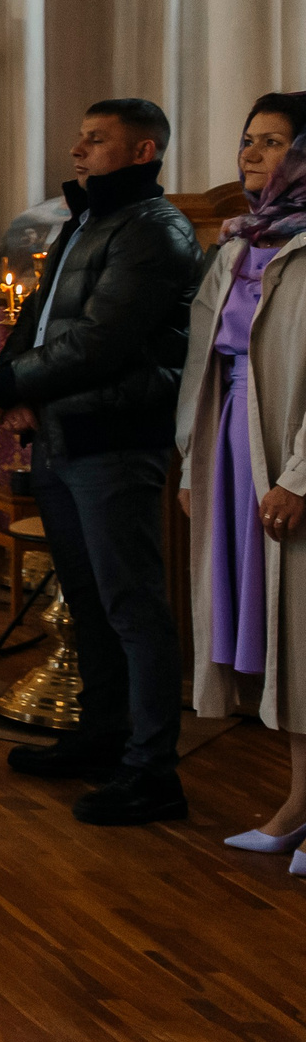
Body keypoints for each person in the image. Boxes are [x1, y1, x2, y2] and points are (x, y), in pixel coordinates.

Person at [0, 98, 202, 825]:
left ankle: (152, 769)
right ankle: (103, 735)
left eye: (96, 140)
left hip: (114, 437)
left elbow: (104, 339)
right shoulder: (88, 219)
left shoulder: (157, 230)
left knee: (132, 605)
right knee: (87, 600)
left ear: (143, 152)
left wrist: (13, 385)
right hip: (63, 433)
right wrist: (9, 378)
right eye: (80, 138)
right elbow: (40, 315)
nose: (78, 151)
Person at [177, 94, 306, 861]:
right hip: (233, 443)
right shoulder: (236, 245)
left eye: (273, 142)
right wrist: (193, 463)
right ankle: (297, 801)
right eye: (247, 140)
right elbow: (203, 358)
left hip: (285, 449)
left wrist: (299, 475)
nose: (252, 155)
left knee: (303, 633)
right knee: (277, 634)